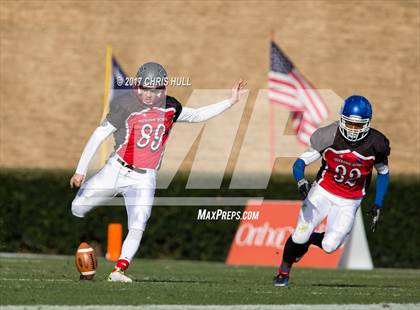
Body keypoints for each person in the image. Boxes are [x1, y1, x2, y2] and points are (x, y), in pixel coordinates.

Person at [70, 62, 247, 282]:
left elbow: (198, 115)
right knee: (77, 208)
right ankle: (83, 241)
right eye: (145, 88)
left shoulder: (171, 107)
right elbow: (99, 135)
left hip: (144, 177)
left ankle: (119, 270)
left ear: (163, 89)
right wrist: (80, 170)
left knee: (138, 223)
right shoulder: (125, 105)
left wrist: (230, 101)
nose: (150, 94)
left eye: (155, 89)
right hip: (116, 169)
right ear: (138, 86)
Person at [273, 95, 390, 287]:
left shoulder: (376, 143)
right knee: (299, 235)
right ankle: (283, 273)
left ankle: (311, 240)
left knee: (330, 246)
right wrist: (301, 181)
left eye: (358, 125)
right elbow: (298, 164)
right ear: (341, 119)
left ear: (367, 124)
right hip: (322, 192)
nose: (353, 130)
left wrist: (378, 203)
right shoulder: (328, 135)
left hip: (349, 200)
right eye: (349, 124)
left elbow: (384, 173)